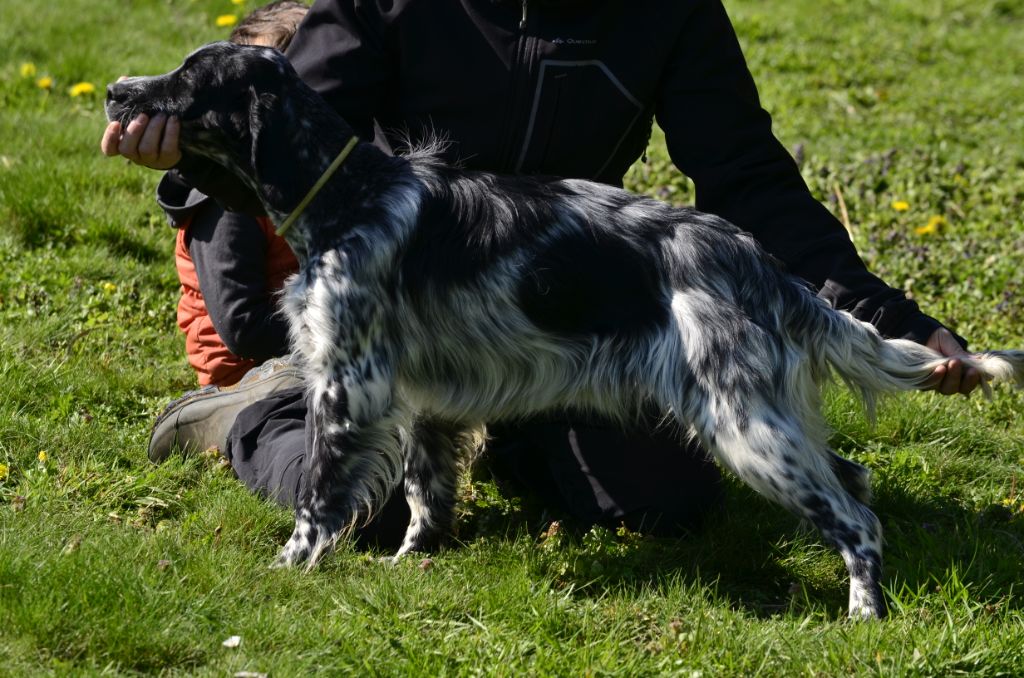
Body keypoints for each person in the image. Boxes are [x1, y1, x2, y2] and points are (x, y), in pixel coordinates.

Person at [101, 0, 981, 545]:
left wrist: (882, 315)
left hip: (570, 319)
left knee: (662, 507)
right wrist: (198, 184)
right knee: (353, 511)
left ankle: (507, 436)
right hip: (396, 318)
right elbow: (290, 136)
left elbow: (748, 177)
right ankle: (247, 413)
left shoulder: (669, 10)